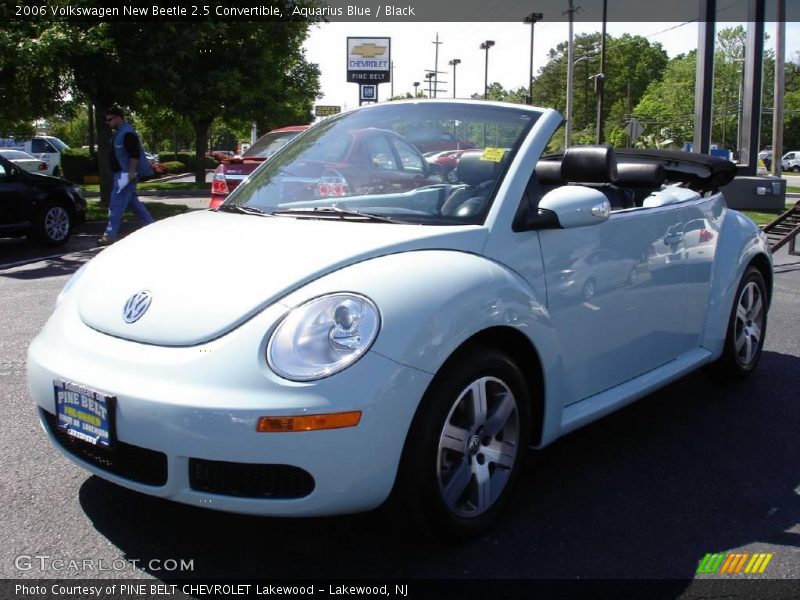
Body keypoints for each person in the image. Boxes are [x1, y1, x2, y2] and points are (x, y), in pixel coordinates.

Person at [97, 106, 155, 246]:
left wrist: (131, 172)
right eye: (106, 120)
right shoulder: (120, 133)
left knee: (115, 204)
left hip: (125, 175)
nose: (108, 122)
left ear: (118, 118)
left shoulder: (127, 133)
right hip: (124, 174)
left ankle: (109, 236)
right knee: (134, 205)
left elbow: (134, 154)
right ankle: (153, 228)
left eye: (110, 119)